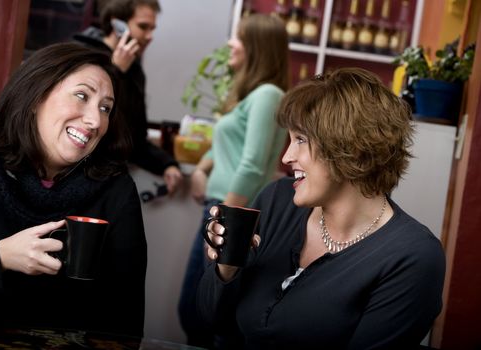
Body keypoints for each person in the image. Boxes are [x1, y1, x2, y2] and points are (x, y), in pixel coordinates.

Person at [198, 67, 447, 349]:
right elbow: (213, 321)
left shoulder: (412, 257)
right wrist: (226, 270)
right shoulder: (276, 201)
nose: (287, 156)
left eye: (301, 140)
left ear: (350, 145)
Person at [0, 43, 146, 340]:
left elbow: (126, 317)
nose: (95, 121)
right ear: (36, 96)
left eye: (105, 108)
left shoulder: (115, 191)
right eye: (82, 96)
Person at [178, 14, 290, 349]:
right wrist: (200, 169)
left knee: (205, 315)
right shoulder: (252, 93)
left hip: (233, 213)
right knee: (195, 311)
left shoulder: (268, 94)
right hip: (223, 208)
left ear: (257, 47)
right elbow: (225, 143)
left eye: (238, 37)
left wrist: (224, 217)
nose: (230, 43)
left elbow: (254, 163)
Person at [73, 0, 182, 194]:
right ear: (117, 25)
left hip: (110, 182)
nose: (149, 36)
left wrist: (167, 164)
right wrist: (115, 71)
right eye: (143, 27)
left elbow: (135, 138)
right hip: (77, 176)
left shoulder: (135, 70)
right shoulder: (81, 54)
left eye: (152, 29)